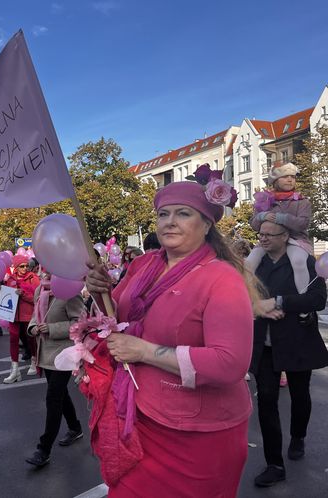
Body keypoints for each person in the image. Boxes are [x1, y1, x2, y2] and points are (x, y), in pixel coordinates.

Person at [85, 176, 256, 497]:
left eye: (183, 213)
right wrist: (100, 292)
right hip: (141, 418)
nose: (170, 222)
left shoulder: (222, 278)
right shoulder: (142, 265)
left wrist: (145, 352)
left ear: (207, 224)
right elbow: (117, 319)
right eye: (163, 214)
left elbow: (230, 363)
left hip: (199, 436)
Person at [250, 220, 328, 487]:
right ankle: (274, 463)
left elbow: (318, 299)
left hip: (296, 339)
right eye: (260, 234)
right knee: (267, 400)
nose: (263, 239)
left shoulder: (304, 262)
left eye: (269, 235)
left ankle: (298, 436)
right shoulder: (254, 263)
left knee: (299, 394)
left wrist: (280, 301)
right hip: (264, 344)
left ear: (285, 236)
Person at [25, 271, 86, 467]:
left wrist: (52, 328)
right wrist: (33, 328)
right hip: (46, 352)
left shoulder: (69, 291)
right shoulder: (40, 290)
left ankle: (44, 449)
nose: (45, 272)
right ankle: (75, 427)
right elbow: (36, 316)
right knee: (60, 394)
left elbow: (80, 323)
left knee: (53, 397)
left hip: (64, 353)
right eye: (44, 268)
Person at [246, 162, 312, 294]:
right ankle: (246, 295)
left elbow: (303, 223)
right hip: (269, 240)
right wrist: (261, 216)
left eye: (293, 177)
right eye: (285, 176)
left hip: (296, 239)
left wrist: (281, 218)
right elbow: (254, 225)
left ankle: (303, 295)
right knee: (249, 263)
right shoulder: (264, 200)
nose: (290, 179)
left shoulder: (302, 201)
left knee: (298, 261)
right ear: (275, 180)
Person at [3, 254, 40, 383]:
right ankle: (14, 370)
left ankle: (34, 360)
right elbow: (7, 296)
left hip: (28, 314)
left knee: (31, 339)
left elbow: (37, 299)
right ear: (16, 267)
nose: (25, 268)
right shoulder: (11, 279)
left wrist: (23, 294)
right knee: (13, 340)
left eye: (27, 266)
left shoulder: (33, 278)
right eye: (22, 266)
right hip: (13, 315)